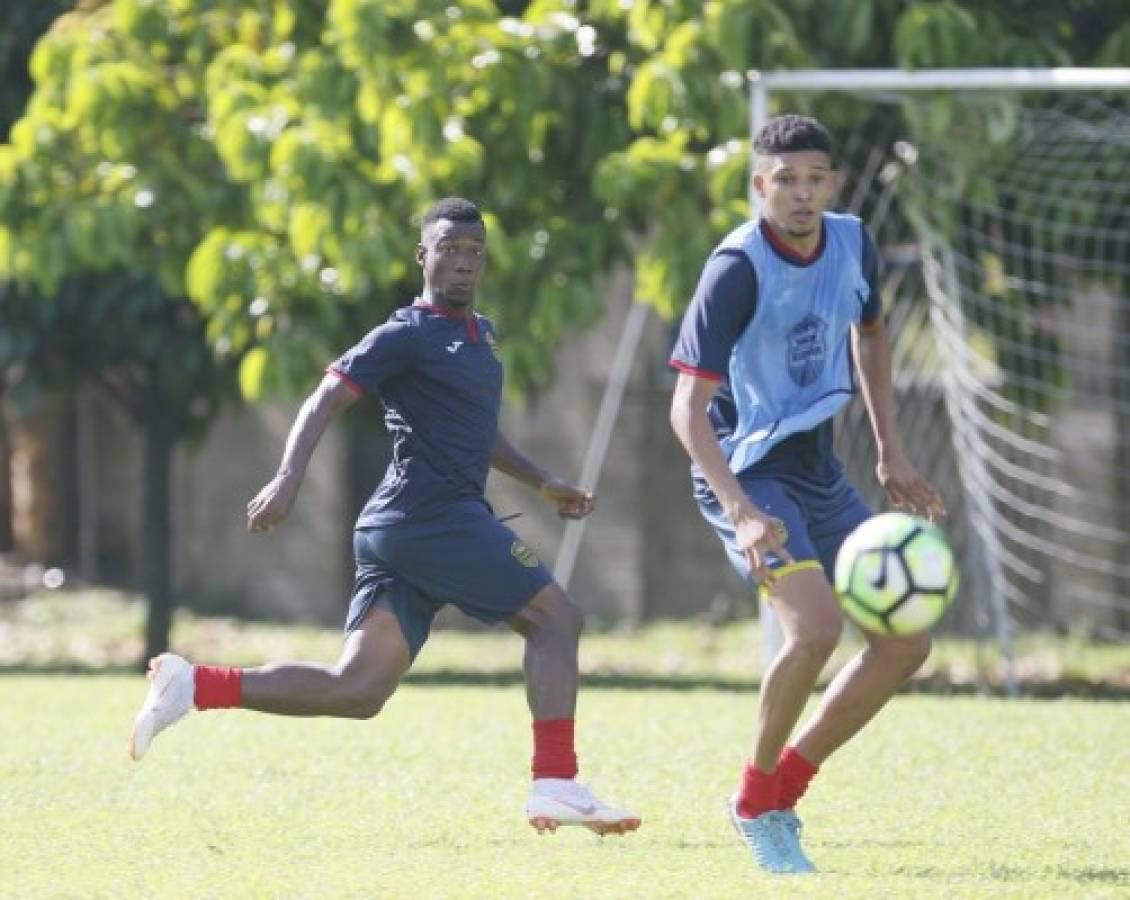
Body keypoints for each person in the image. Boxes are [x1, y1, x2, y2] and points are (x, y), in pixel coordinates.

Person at [128, 197, 640, 838]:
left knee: (359, 691)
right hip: (433, 520)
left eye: (474, 251)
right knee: (556, 619)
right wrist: (288, 479)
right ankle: (557, 782)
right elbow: (325, 397)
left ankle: (197, 684)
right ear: (423, 255)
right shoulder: (407, 333)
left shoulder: (482, 335)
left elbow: (476, 435)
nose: (462, 261)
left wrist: (543, 482)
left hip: (405, 532)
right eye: (449, 248)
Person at [668, 115, 945, 873]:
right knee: (815, 630)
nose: (799, 192)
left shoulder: (852, 242)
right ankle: (755, 803)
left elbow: (873, 333)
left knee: (905, 644)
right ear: (760, 185)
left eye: (812, 178)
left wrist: (891, 453)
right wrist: (742, 513)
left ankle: (781, 789)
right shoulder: (736, 268)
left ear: (833, 183)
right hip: (744, 470)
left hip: (819, 469)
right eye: (783, 179)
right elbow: (685, 411)